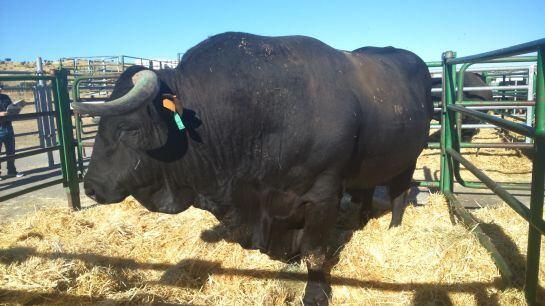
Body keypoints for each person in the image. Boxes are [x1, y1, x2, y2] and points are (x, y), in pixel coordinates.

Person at [0, 85, 24, 179]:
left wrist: (16, 108)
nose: (1, 90)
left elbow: (10, 107)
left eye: (1, 88)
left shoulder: (5, 97)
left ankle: (11, 170)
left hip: (8, 126)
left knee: (11, 150)